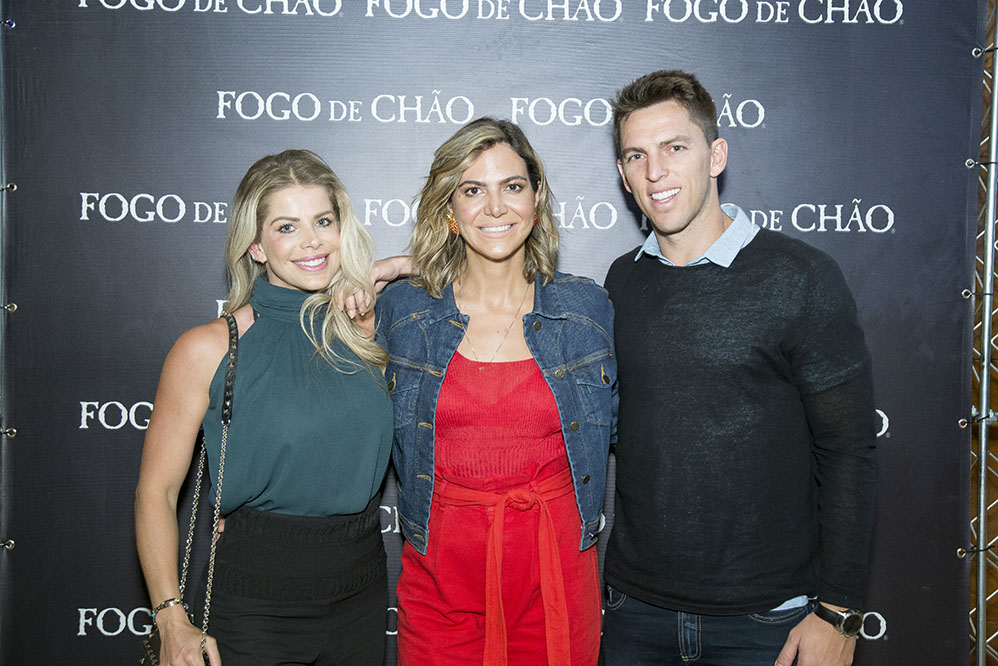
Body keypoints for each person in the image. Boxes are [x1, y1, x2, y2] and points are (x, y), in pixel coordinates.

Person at [599, 70, 877, 666]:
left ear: (716, 154)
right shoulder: (621, 281)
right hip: (633, 614)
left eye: (675, 148)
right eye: (636, 155)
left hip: (767, 622)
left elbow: (850, 451)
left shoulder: (800, 278)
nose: (656, 172)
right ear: (623, 173)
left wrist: (839, 612)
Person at [134, 149, 393, 666]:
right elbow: (156, 492)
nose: (312, 241)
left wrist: (391, 267)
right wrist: (170, 617)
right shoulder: (210, 347)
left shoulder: (366, 333)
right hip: (255, 602)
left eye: (324, 221)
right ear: (255, 245)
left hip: (360, 593)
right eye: (286, 227)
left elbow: (463, 264)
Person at [374, 117, 616, 666]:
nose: (496, 207)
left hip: (555, 576)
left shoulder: (586, 311)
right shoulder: (403, 312)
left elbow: (633, 432)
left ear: (536, 199)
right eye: (472, 190)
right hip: (442, 582)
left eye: (512, 186)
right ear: (450, 211)